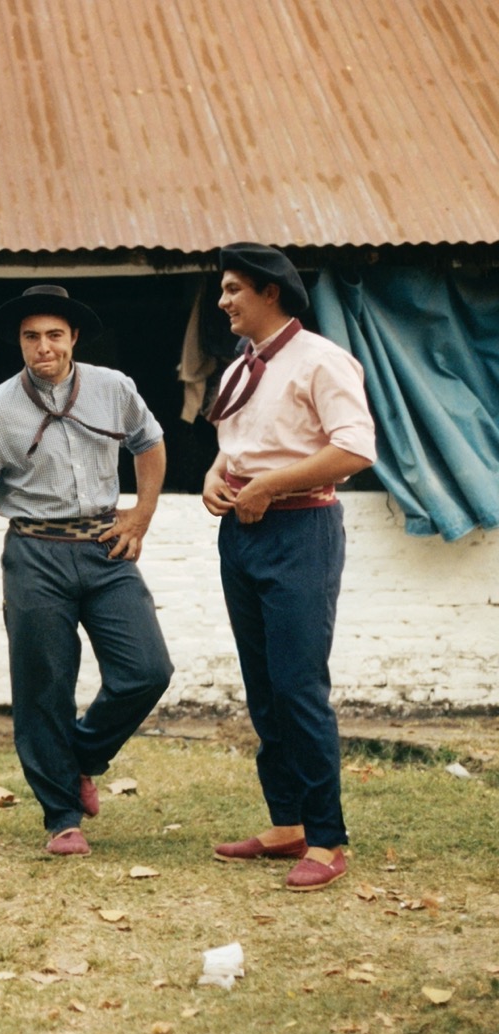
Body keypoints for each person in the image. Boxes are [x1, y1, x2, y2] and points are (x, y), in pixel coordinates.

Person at [0, 285, 173, 857]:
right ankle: (62, 817)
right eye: (31, 337)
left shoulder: (114, 388)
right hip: (34, 553)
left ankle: (83, 756)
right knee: (43, 689)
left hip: (106, 547)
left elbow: (151, 443)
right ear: (20, 343)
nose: (44, 348)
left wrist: (143, 513)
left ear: (74, 338)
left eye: (54, 335)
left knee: (147, 669)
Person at [202, 243, 376, 892]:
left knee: (300, 685)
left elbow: (356, 449)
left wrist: (271, 486)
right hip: (241, 530)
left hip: (301, 528)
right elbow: (232, 450)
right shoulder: (238, 369)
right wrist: (215, 480)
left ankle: (327, 840)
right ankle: (287, 823)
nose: (222, 302)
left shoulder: (322, 361)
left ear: (270, 292)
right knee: (263, 686)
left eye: (233, 290)